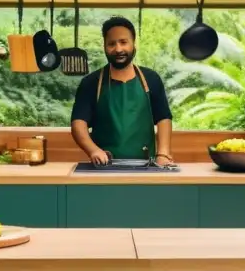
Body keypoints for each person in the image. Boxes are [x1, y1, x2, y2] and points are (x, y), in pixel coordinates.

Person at [70, 16, 174, 166]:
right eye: (112, 44)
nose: (118, 49)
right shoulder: (91, 83)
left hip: (146, 166)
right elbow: (78, 123)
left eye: (123, 42)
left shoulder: (151, 79)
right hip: (104, 167)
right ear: (104, 46)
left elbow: (163, 118)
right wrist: (93, 150)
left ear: (133, 44)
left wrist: (163, 154)